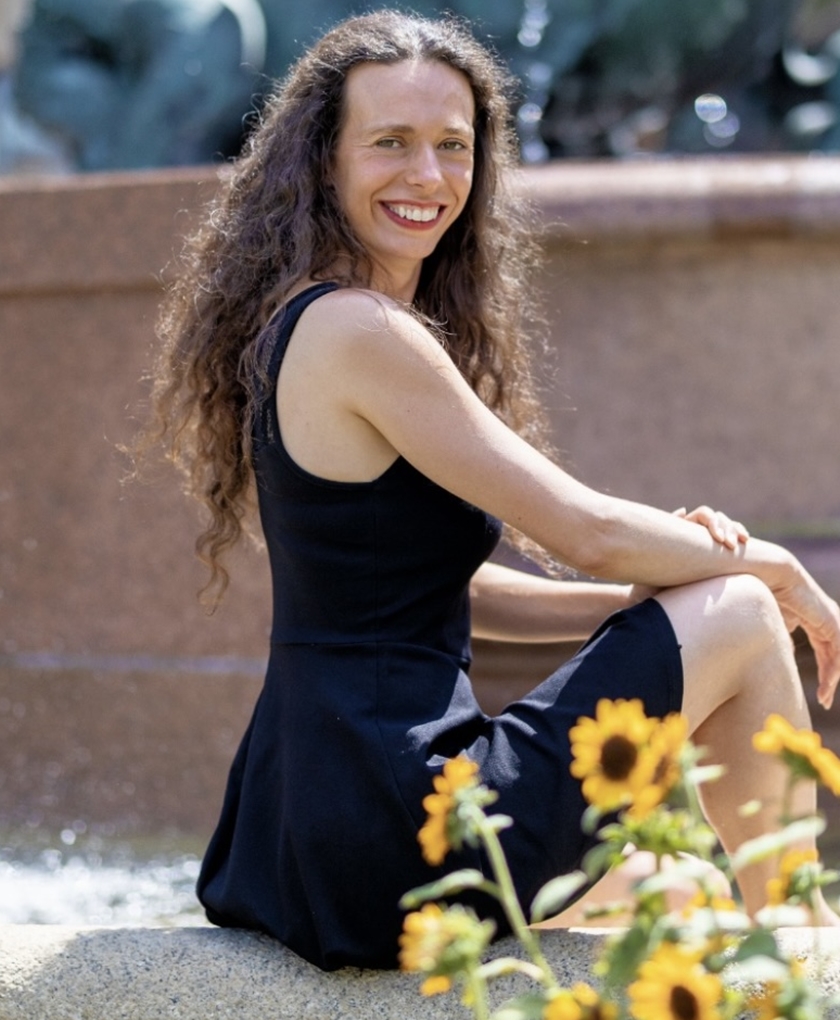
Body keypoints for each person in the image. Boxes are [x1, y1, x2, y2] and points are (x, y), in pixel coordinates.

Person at [143, 9, 840, 971]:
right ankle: (811, 957)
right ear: (322, 161)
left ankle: (790, 944)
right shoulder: (361, 332)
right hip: (400, 812)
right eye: (390, 142)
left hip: (315, 816)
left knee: (672, 873)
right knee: (747, 614)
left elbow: (434, 588)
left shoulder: (315, 322)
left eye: (453, 146)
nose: (427, 176)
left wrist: (640, 601)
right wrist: (773, 570)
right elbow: (583, 528)